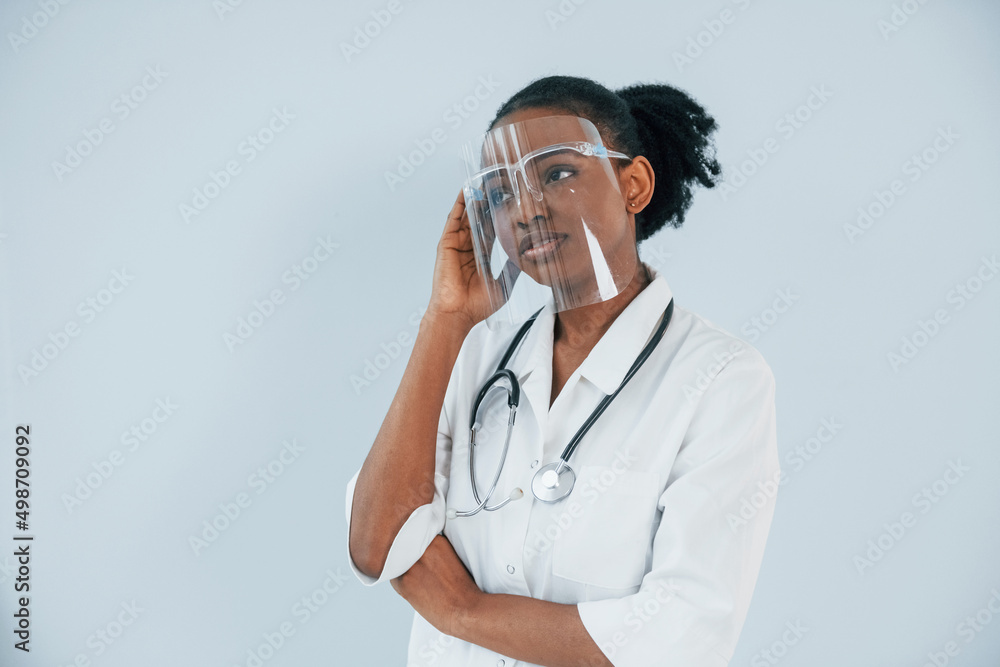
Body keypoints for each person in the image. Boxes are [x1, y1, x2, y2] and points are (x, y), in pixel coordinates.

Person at [345, 75, 780, 667]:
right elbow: (377, 540)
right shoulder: (472, 352)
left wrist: (461, 610)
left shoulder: (720, 378)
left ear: (634, 185)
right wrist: (446, 318)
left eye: (557, 174)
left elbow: (680, 636)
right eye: (500, 193)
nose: (525, 209)